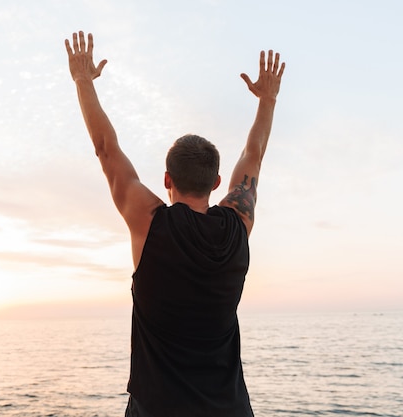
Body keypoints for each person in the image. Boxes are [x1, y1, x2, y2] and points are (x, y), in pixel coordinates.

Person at [65, 31, 285, 417]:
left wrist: (83, 81)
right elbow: (255, 155)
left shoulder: (149, 223)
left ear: (167, 179)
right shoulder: (238, 223)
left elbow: (105, 148)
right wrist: (268, 100)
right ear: (217, 184)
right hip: (229, 409)